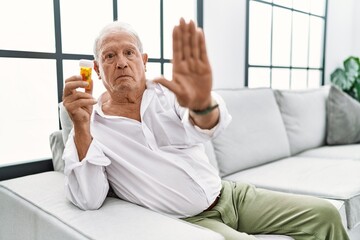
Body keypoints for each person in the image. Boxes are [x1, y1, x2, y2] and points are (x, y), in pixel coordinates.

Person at [62, 18, 349, 240]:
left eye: (129, 52)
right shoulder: (89, 125)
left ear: (144, 61)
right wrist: (81, 126)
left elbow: (206, 126)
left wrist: (201, 105)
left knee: (325, 214)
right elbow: (89, 198)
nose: (121, 62)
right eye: (109, 56)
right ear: (97, 70)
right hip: (189, 220)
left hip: (231, 195)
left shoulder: (168, 94)